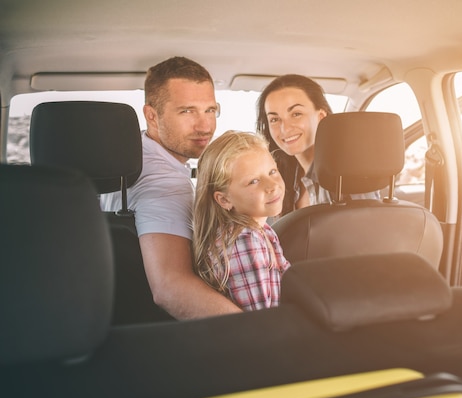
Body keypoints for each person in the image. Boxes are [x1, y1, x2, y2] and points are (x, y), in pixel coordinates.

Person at [100, 56, 242, 319]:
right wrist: (261, 330)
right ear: (151, 115)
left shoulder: (123, 163)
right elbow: (170, 288)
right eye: (187, 111)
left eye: (210, 110)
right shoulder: (165, 184)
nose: (205, 126)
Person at [193, 131, 290, 311]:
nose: (272, 185)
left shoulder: (263, 230)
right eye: (253, 181)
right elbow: (260, 322)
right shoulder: (245, 240)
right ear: (224, 200)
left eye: (272, 171)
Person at [256, 74, 379, 217]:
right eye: (274, 119)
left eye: (296, 114)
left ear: (321, 117)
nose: (285, 129)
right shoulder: (281, 177)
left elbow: (369, 233)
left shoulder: (348, 174)